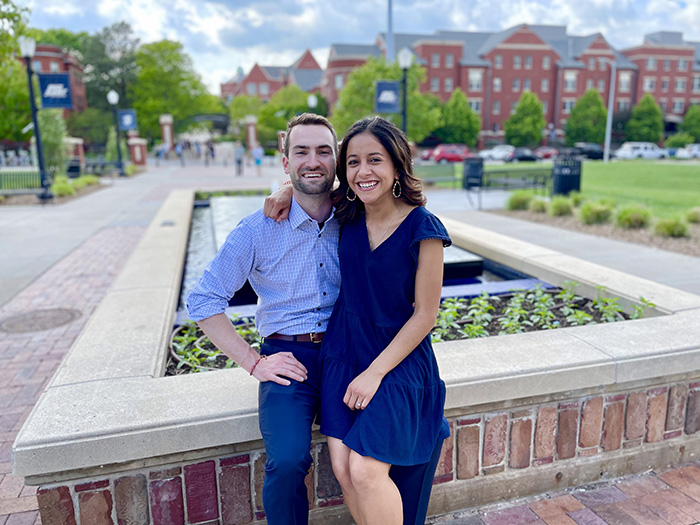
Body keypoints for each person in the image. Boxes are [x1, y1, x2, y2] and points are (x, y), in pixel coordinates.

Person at [265, 117, 450, 525]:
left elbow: (426, 315)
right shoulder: (346, 212)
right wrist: (283, 190)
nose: (363, 172)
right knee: (345, 471)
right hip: (343, 352)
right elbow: (309, 185)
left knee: (366, 470)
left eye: (374, 160)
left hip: (397, 362)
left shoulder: (425, 229)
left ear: (397, 165)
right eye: (352, 162)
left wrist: (375, 373)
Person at [186, 113, 341, 525]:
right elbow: (203, 300)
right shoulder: (256, 230)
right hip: (287, 359)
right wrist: (254, 362)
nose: (313, 160)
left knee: (379, 441)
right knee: (288, 460)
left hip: (347, 352)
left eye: (324, 151)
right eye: (301, 151)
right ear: (285, 161)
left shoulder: (355, 216)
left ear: (337, 159)